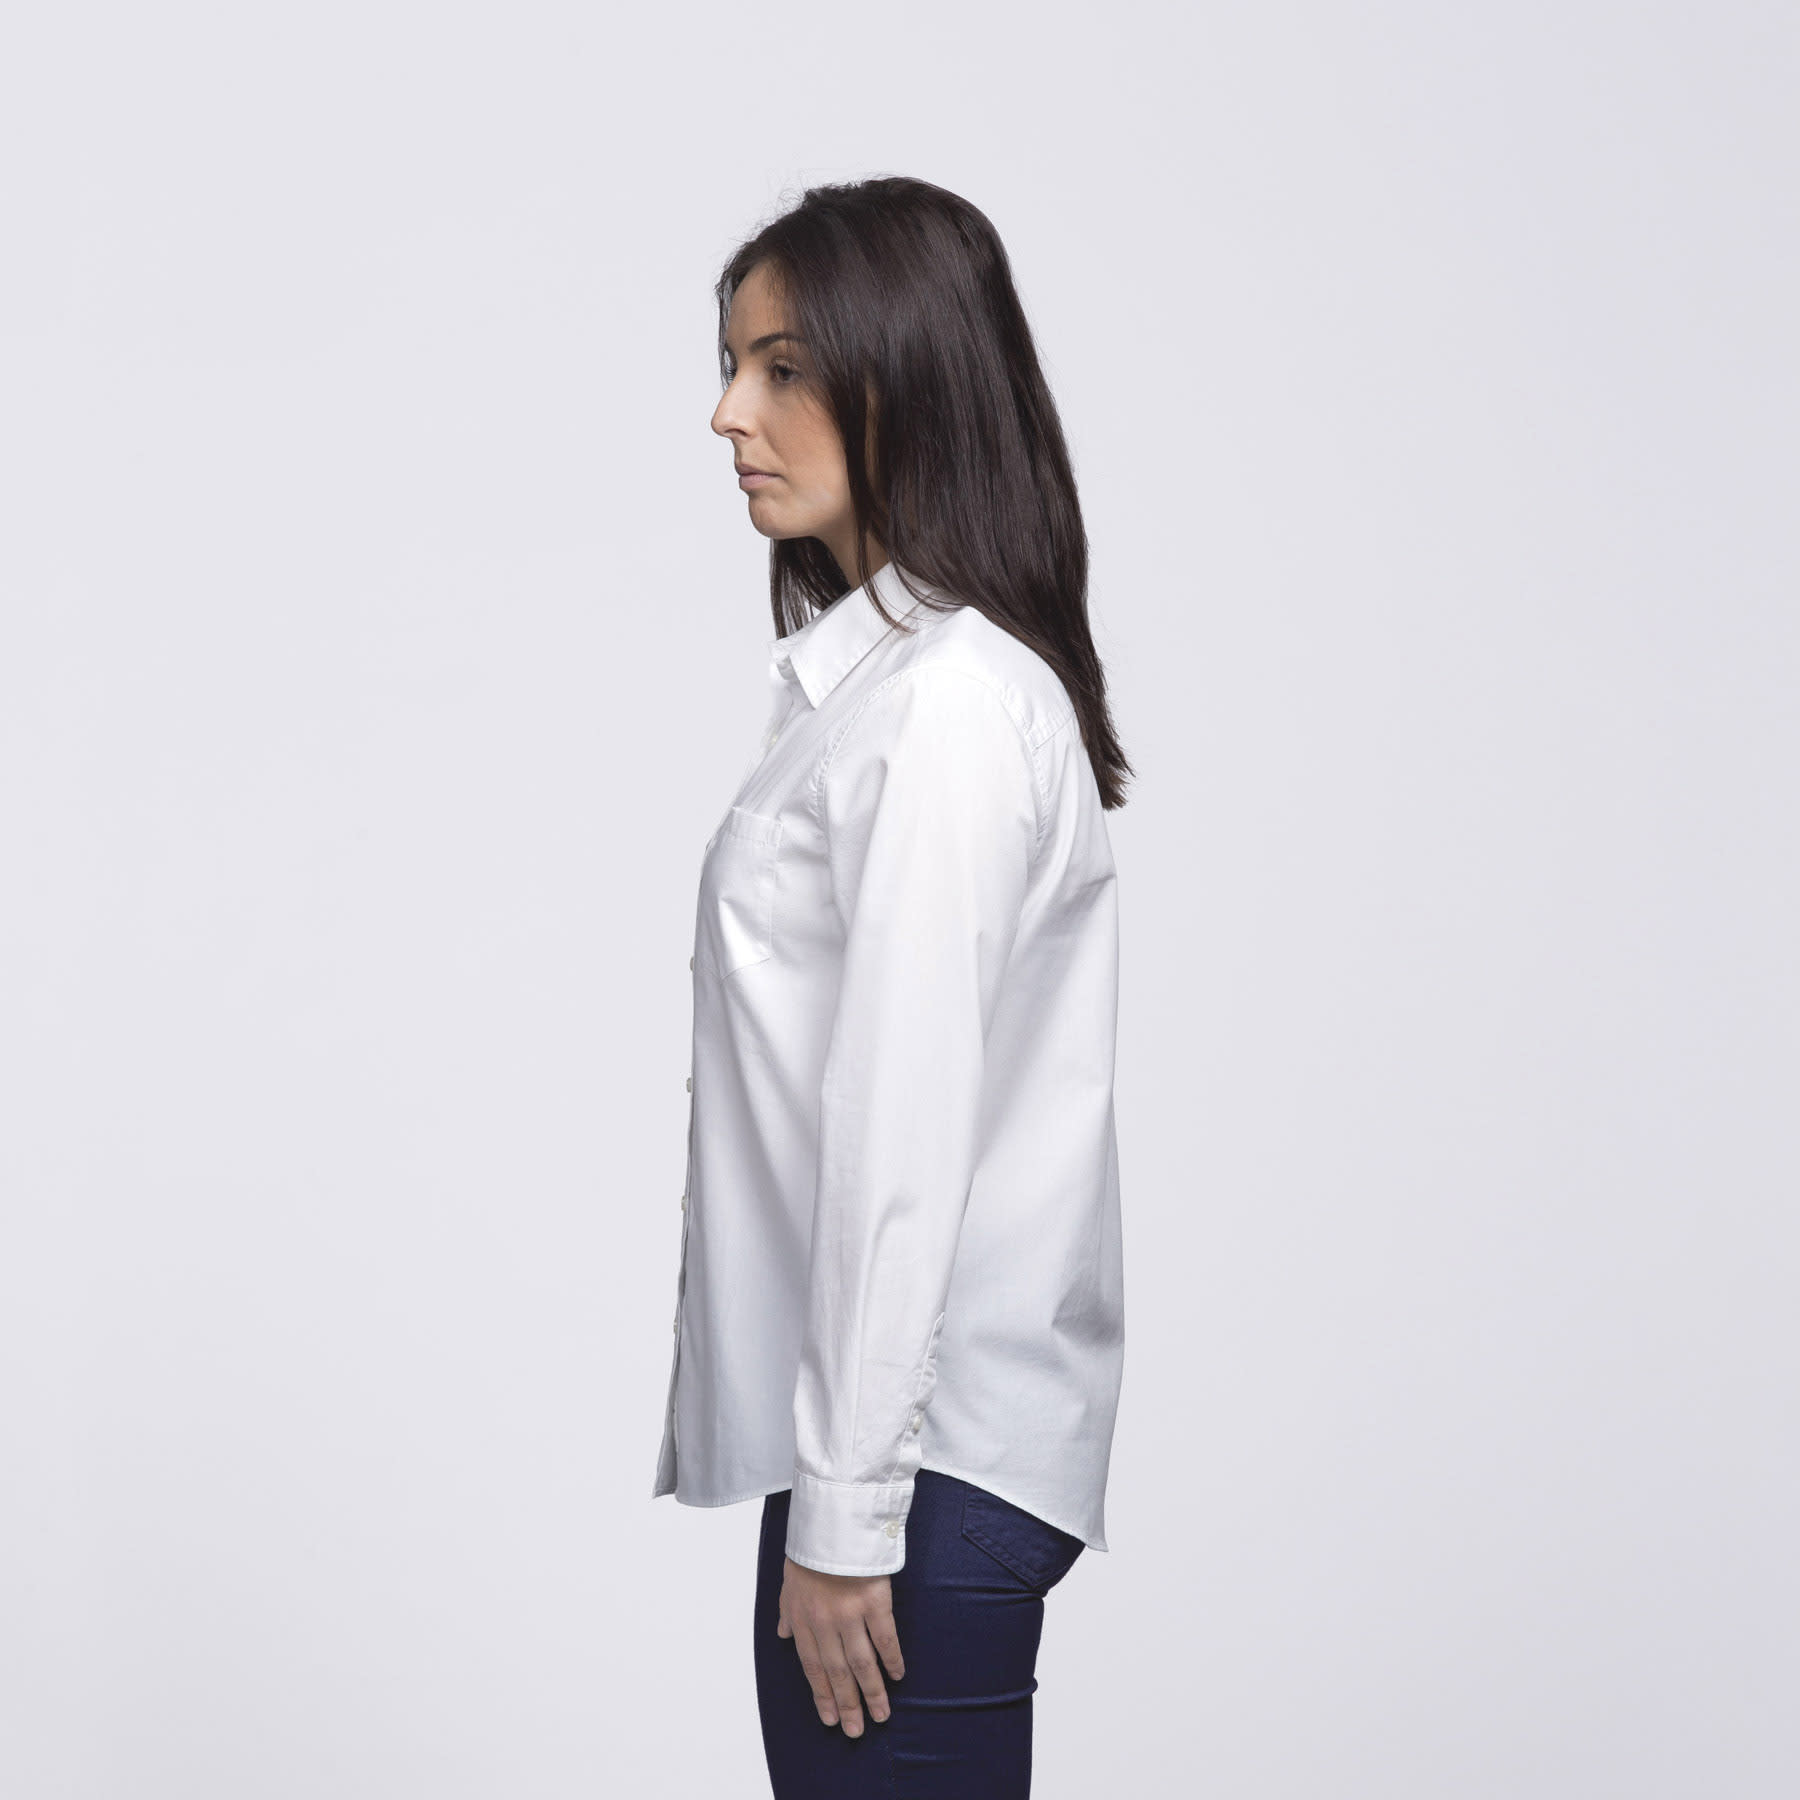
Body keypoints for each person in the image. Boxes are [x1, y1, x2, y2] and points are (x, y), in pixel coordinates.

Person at [651, 175, 1130, 1799]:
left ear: (904, 377)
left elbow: (903, 1126)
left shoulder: (945, 711)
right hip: (886, 1458)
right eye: (733, 364)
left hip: (914, 1476)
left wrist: (851, 1517)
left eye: (781, 367)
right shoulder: (892, 693)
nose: (730, 413)